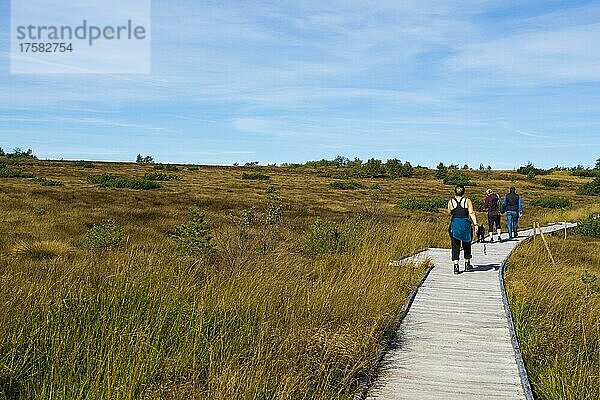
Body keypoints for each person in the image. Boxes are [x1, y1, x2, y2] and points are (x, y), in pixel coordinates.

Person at [448, 185, 478, 275]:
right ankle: (467, 263)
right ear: (464, 192)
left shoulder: (451, 201)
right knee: (467, 243)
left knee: (455, 244)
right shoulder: (467, 201)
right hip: (465, 224)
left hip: (455, 224)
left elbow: (449, 212)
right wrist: (476, 224)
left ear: (455, 191)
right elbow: (471, 212)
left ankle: (456, 266)